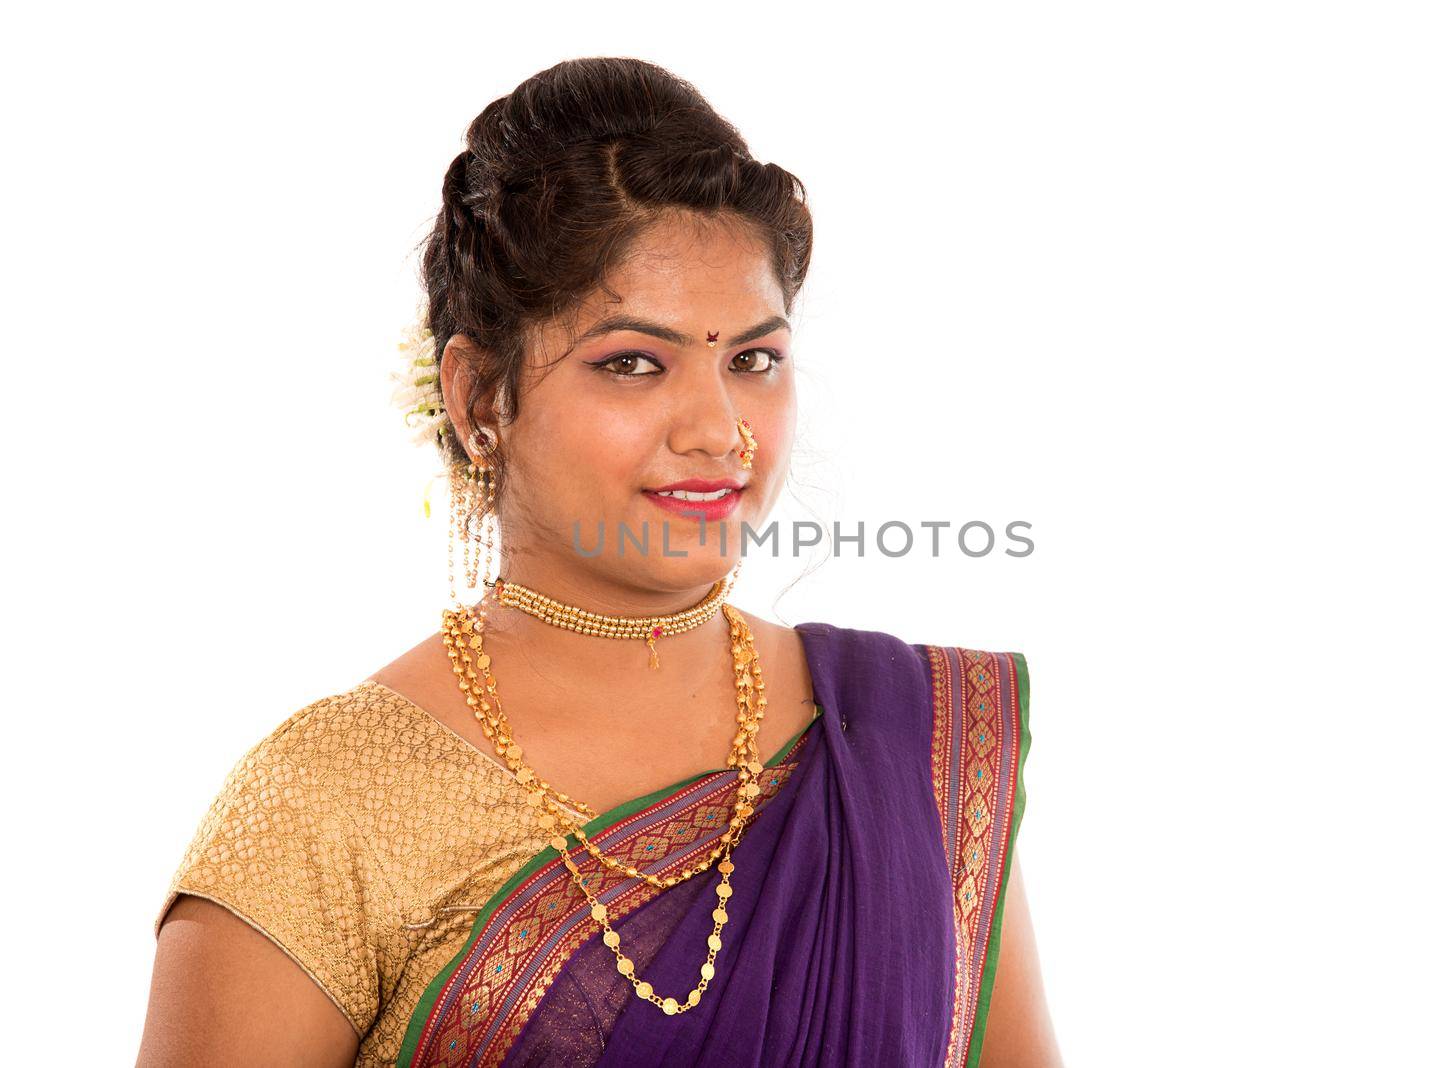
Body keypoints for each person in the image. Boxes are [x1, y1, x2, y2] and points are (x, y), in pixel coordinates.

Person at [138, 56, 1059, 1068]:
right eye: (632, 363)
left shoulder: (904, 742)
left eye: (753, 359)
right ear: (480, 397)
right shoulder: (326, 802)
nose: (719, 431)